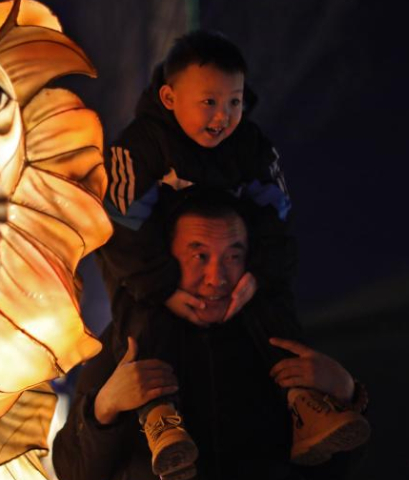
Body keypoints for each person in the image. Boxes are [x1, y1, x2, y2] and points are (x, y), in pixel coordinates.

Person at [96, 29, 325, 476]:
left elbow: (276, 216)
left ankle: (306, 402)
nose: (223, 117)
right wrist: (164, 288)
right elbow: (119, 227)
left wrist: (257, 273)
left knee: (273, 301)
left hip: (234, 266)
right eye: (209, 102)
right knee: (140, 317)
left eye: (234, 102)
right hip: (152, 269)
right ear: (168, 97)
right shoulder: (138, 146)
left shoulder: (252, 146)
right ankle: (160, 414)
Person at [53, 190, 370, 480]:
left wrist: (345, 393)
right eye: (199, 256)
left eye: (233, 256)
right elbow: (73, 472)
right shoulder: (129, 342)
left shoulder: (277, 344)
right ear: (168, 260)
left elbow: (335, 468)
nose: (216, 278)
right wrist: (104, 407)